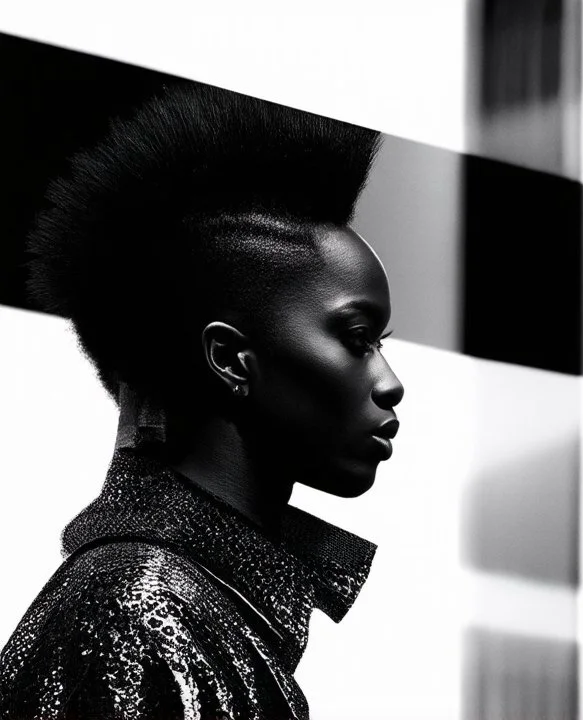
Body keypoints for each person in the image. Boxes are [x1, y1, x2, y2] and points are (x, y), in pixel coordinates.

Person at [0, 82, 404, 719]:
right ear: (230, 360)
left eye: (380, 342)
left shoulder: (195, 609)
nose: (390, 381)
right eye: (357, 338)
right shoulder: (133, 613)